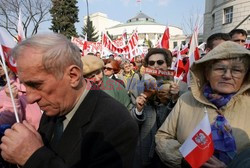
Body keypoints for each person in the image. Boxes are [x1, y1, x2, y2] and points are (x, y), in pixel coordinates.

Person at [0, 33, 139, 168]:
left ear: (73, 76)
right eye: (25, 84)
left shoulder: (116, 124)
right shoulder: (55, 108)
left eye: (36, 85)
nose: (30, 98)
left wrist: (32, 157)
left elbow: (39, 156)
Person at [155, 41, 250, 167]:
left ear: (245, 75)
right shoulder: (186, 100)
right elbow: (163, 137)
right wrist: (184, 159)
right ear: (207, 73)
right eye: (220, 68)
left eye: (236, 70)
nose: (227, 76)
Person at [131, 48, 180, 168]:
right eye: (151, 63)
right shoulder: (137, 85)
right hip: (145, 146)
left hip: (169, 148)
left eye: (160, 62)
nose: (156, 66)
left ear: (167, 64)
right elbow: (132, 121)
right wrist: (138, 109)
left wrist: (174, 100)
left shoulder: (178, 86)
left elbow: (179, 122)